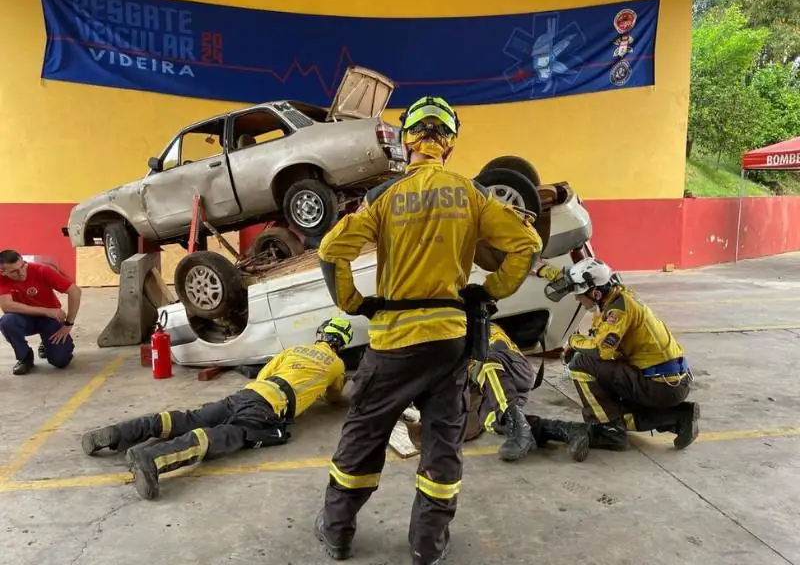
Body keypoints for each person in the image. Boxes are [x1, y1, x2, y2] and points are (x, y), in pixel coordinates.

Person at [313, 95, 543, 564]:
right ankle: (427, 545)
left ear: (405, 141)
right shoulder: (472, 194)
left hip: (393, 340)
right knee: (442, 440)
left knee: (364, 432)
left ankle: (337, 532)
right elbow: (527, 243)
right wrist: (488, 290)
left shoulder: (382, 199)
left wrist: (355, 303)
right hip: (448, 341)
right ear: (450, 146)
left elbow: (331, 251)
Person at [80, 317, 354, 500]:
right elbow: (333, 398)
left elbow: (264, 375)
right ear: (341, 343)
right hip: (269, 408)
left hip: (247, 395)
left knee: (187, 419)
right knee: (222, 437)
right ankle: (151, 459)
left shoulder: (294, 349)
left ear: (321, 333)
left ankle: (115, 433)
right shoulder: (337, 365)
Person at [543, 257, 699, 452]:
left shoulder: (619, 310)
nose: (577, 299)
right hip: (668, 382)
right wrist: (542, 270)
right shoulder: (616, 297)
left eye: (580, 295)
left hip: (662, 386)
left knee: (581, 363)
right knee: (611, 407)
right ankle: (678, 418)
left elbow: (600, 350)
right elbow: (606, 343)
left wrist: (573, 342)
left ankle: (609, 432)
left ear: (596, 293)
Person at [465, 322, 590, 462]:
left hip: (515, 369)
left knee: (487, 363)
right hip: (496, 387)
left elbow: (497, 348)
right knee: (489, 420)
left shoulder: (477, 326)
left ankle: (519, 430)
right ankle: (565, 430)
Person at [0, 250, 82, 375]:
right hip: (25, 318)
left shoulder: (42, 271)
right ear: (3, 272)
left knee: (60, 361)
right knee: (7, 321)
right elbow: (7, 306)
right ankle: (25, 357)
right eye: (14, 272)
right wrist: (45, 311)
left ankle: (48, 342)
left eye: (23, 266)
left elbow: (75, 291)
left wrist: (68, 324)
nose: (21, 273)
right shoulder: (1, 279)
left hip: (49, 319)